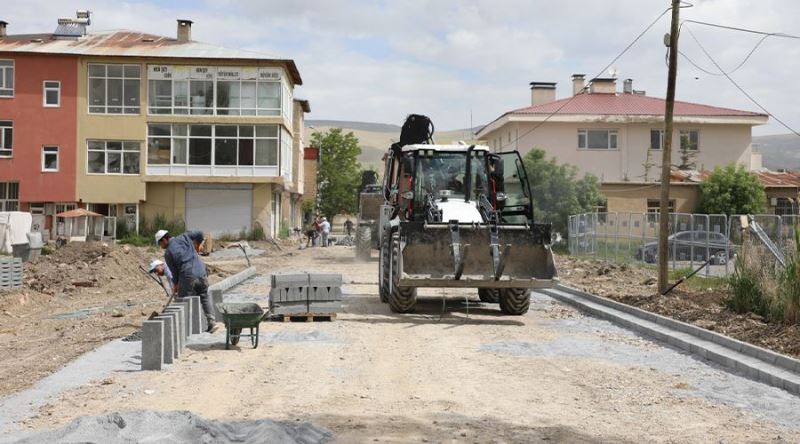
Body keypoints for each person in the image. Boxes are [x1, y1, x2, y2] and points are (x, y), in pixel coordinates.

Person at [156, 229, 222, 333]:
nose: (161, 247)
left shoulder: (168, 253)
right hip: (201, 272)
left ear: (164, 240)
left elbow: (174, 272)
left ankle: (185, 330)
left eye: (160, 244)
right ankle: (212, 322)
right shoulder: (184, 236)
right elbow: (200, 233)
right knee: (204, 296)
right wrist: (198, 246)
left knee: (184, 301)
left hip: (188, 276)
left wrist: (176, 285)